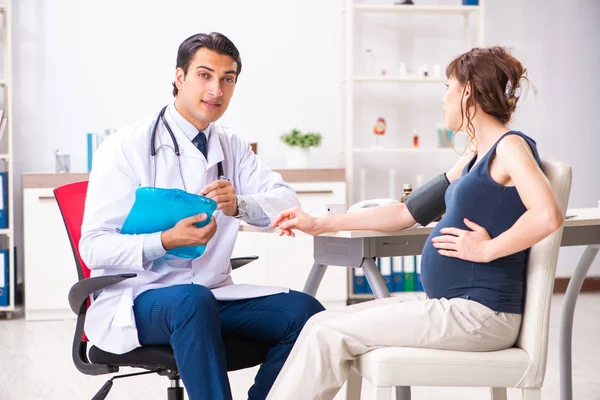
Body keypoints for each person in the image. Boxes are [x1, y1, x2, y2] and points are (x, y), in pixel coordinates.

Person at [266, 46, 564, 400]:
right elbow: (405, 213)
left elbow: (548, 214)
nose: (443, 99)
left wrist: (486, 249)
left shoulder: (510, 146)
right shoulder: (474, 156)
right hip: (453, 308)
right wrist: (319, 223)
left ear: (467, 90)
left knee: (326, 333)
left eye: (447, 86)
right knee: (319, 324)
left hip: (478, 315)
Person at [79, 32, 324, 400]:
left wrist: (239, 204)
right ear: (180, 77)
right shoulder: (126, 147)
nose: (217, 90)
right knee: (191, 300)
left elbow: (286, 200)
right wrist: (163, 241)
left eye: (228, 79)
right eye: (205, 75)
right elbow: (93, 248)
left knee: (305, 312)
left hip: (212, 295)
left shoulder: (231, 145)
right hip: (140, 298)